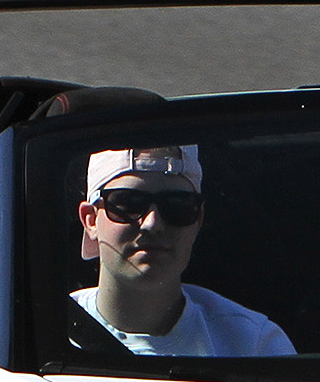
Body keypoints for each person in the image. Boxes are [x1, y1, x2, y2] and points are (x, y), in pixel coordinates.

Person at [72, 147, 295, 357]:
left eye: (178, 206)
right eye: (128, 203)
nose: (152, 224)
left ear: (198, 219)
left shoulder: (255, 345)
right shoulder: (44, 336)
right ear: (90, 220)